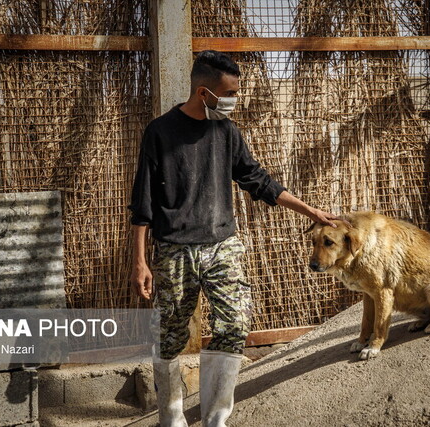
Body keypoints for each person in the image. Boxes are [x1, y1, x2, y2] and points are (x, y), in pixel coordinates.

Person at [128, 50, 338, 427]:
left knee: (235, 325)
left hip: (223, 245)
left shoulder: (226, 132)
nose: (233, 101)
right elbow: (142, 203)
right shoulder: (159, 132)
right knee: (171, 336)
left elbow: (256, 179)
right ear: (204, 92)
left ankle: (215, 420)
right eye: (229, 93)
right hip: (174, 250)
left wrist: (311, 211)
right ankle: (171, 419)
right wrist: (140, 262)